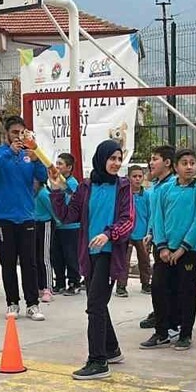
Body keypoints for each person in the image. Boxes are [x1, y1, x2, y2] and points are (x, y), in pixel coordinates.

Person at [49, 139, 134, 379]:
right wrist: (56, 191)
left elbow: (128, 220)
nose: (116, 163)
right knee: (98, 304)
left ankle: (98, 362)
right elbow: (67, 216)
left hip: (109, 254)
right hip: (89, 255)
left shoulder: (123, 186)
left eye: (119, 159)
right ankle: (111, 349)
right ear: (101, 159)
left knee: (95, 306)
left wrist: (108, 234)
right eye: (112, 158)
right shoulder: (86, 187)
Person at [142, 149, 196, 352]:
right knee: (159, 288)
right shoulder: (164, 189)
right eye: (184, 163)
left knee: (186, 291)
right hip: (165, 250)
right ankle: (162, 332)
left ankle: (185, 333)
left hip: (188, 251)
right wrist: (161, 246)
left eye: (192, 163)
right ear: (176, 167)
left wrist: (182, 248)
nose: (189, 167)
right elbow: (158, 218)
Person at [0, 116, 49, 320]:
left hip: (27, 216)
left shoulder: (29, 154)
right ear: (6, 134)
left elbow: (43, 177)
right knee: (8, 262)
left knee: (29, 262)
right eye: (14, 133)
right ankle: (12, 303)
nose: (18, 137)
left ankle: (33, 304)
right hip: (3, 216)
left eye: (21, 132)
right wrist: (8, 153)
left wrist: (37, 157)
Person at [139, 146, 176, 333]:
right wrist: (150, 232)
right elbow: (155, 215)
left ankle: (169, 322)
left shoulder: (173, 185)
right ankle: (161, 315)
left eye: (155, 159)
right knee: (159, 285)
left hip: (170, 243)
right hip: (157, 239)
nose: (151, 163)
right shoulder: (156, 186)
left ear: (168, 163)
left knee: (165, 285)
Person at [51, 152, 83, 296]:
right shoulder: (56, 181)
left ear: (69, 167)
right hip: (58, 225)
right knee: (57, 255)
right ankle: (59, 282)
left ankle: (74, 282)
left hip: (71, 227)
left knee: (71, 256)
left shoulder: (71, 183)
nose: (57, 167)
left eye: (60, 164)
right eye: (56, 164)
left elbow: (71, 204)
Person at [119, 165, 151, 298]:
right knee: (123, 261)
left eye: (140, 176)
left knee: (144, 260)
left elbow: (150, 215)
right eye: (134, 176)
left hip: (142, 233)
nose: (137, 179)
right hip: (126, 233)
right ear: (128, 178)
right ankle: (121, 286)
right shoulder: (124, 195)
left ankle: (145, 283)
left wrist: (149, 232)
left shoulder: (147, 195)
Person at [32, 179, 55, 302]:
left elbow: (53, 210)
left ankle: (48, 288)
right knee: (35, 257)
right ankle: (39, 286)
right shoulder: (33, 193)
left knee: (45, 257)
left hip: (45, 225)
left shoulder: (43, 193)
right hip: (34, 224)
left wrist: (59, 222)